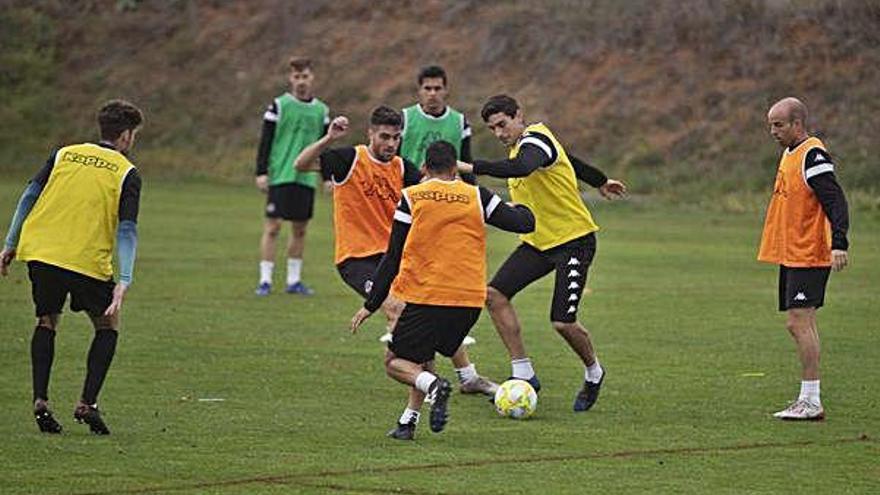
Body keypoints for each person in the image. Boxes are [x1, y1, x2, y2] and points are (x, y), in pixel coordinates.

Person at [294, 106, 499, 397]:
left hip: (396, 257)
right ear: (370, 133)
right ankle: (428, 385)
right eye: (384, 136)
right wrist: (328, 139)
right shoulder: (349, 159)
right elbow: (301, 165)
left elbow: (433, 193)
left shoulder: (403, 168)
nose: (390, 144)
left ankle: (465, 377)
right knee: (396, 307)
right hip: (358, 259)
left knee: (429, 308)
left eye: (396, 138)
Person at [350, 140, 535, 440]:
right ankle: (407, 422)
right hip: (469, 302)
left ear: (424, 168)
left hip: (428, 297)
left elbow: (392, 257)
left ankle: (436, 387)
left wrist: (370, 305)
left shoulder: (412, 197)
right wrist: (523, 205)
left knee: (396, 363)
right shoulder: (477, 195)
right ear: (454, 168)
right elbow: (523, 223)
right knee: (422, 358)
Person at [458, 94, 626, 412]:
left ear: (519, 115)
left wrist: (470, 166)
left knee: (563, 323)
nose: (499, 133)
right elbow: (570, 160)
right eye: (493, 129)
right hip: (538, 243)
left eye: (503, 125)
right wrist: (600, 180)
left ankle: (594, 371)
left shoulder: (535, 141)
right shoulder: (528, 146)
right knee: (494, 294)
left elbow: (521, 167)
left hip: (574, 241)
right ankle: (524, 373)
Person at [0, 100, 144, 435]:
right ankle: (87, 403)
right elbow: (127, 229)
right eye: (133, 135)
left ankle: (41, 400)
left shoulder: (64, 153)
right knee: (107, 325)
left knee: (47, 321)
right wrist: (123, 279)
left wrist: (10, 243)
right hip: (86, 258)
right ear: (125, 136)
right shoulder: (126, 171)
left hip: (42, 251)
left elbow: (29, 195)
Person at [758, 97, 849, 421]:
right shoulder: (789, 153)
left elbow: (835, 200)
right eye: (770, 124)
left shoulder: (813, 155)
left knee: (798, 322)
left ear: (797, 124)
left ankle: (811, 400)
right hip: (792, 252)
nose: (773, 131)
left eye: (778, 124)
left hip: (809, 253)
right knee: (800, 323)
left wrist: (839, 242)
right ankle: (809, 399)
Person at [254, 56, 330, 296]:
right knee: (273, 227)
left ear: (312, 78)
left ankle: (293, 281)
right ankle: (265, 280)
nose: (301, 82)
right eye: (296, 77)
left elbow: (324, 148)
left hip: (306, 178)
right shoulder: (278, 106)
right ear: (290, 79)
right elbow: (265, 141)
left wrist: (327, 177)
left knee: (300, 229)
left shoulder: (322, 111)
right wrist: (261, 172)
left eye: (305, 77)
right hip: (281, 174)